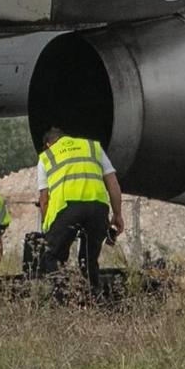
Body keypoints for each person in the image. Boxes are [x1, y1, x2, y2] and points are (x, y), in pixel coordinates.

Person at [35, 125, 125, 299]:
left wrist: (47, 228)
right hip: (98, 208)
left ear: (48, 144)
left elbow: (44, 199)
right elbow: (113, 185)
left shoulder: (46, 156)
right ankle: (94, 299)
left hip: (67, 209)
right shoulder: (92, 147)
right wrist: (117, 214)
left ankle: (61, 301)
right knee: (89, 261)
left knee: (53, 256)